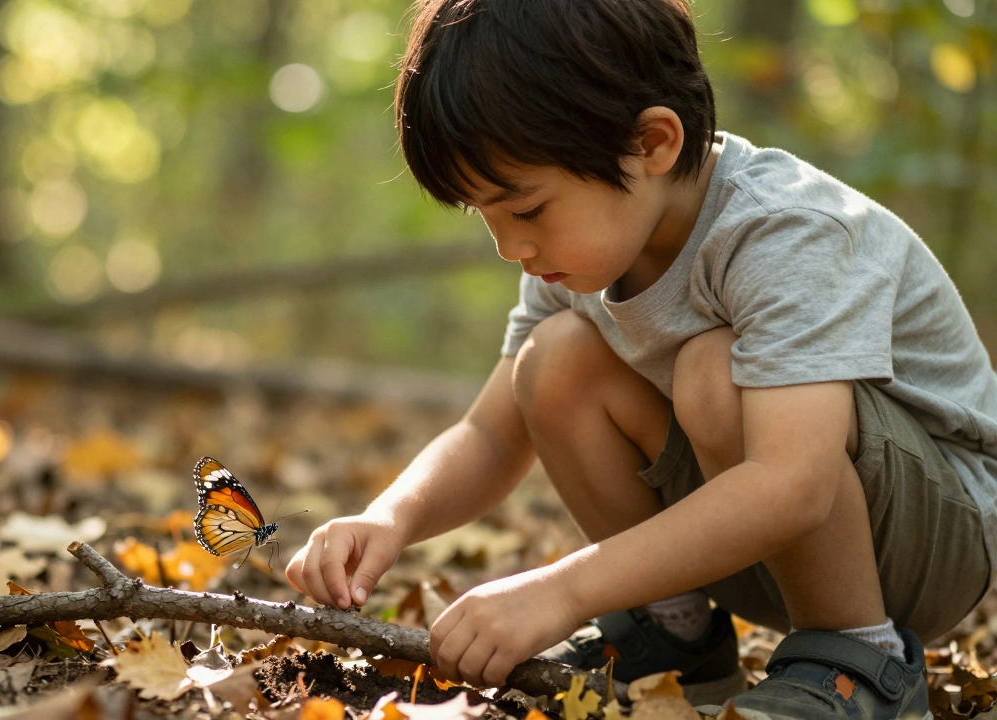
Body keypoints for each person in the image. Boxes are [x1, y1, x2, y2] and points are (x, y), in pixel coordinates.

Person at [284, 0, 996, 717]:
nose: (510, 248)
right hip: (765, 536)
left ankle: (860, 661)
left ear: (652, 143)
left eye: (525, 209)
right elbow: (492, 433)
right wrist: (389, 520)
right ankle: (676, 638)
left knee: (716, 373)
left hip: (934, 544)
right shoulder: (584, 258)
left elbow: (794, 484)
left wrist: (562, 590)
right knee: (553, 359)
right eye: (484, 215)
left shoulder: (785, 231)